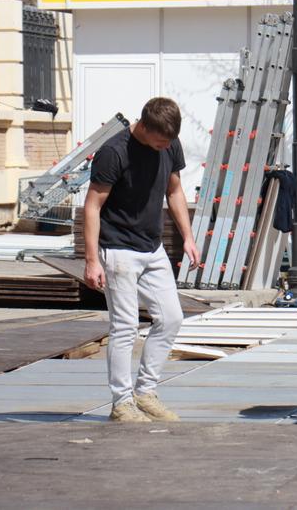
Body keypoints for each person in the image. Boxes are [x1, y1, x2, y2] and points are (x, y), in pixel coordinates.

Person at [84, 97, 198, 423]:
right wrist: (92, 260)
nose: (164, 147)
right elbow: (92, 206)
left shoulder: (170, 145)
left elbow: (174, 191)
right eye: (160, 141)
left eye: (169, 142)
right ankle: (121, 403)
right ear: (144, 127)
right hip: (118, 249)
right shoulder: (114, 152)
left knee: (172, 318)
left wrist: (187, 236)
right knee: (125, 326)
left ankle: (145, 393)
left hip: (152, 247)